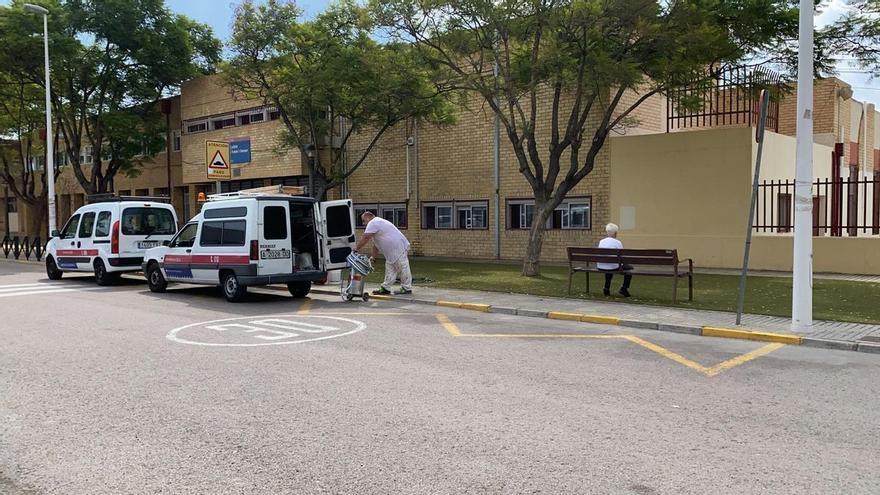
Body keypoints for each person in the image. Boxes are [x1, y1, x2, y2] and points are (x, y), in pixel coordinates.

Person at [354, 211, 412, 295]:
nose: (363, 224)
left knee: (402, 266)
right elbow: (376, 245)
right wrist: (373, 258)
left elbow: (365, 237)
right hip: (393, 250)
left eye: (363, 221)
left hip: (398, 248)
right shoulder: (377, 224)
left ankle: (406, 288)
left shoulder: (373, 222)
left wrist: (356, 249)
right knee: (390, 268)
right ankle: (386, 288)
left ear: (367, 217)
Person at [597, 223, 632, 297]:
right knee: (629, 270)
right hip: (613, 266)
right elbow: (622, 257)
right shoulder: (618, 242)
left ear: (607, 232)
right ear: (615, 233)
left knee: (609, 266)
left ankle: (606, 288)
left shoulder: (601, 241)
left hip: (601, 265)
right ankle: (624, 288)